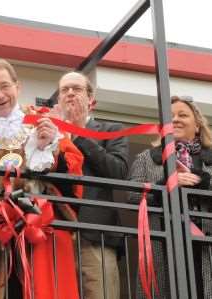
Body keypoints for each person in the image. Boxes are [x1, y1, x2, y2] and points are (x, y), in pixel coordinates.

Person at [0, 59, 83, 299]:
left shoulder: (44, 123)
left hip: (39, 226)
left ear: (18, 87)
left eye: (5, 86)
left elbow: (73, 176)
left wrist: (52, 149)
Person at [54, 71, 129, 299]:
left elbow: (118, 172)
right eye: (64, 90)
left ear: (91, 100)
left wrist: (77, 135)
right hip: (55, 233)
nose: (69, 94)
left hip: (96, 236)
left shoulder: (111, 130)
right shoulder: (49, 134)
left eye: (76, 89)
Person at [129, 95, 211, 298]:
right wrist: (165, 185)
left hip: (204, 245)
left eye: (182, 115)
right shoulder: (146, 159)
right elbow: (132, 196)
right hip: (163, 243)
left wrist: (203, 181)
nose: (175, 119)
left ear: (198, 125)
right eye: (170, 116)